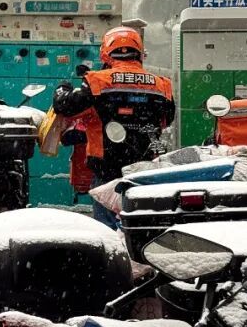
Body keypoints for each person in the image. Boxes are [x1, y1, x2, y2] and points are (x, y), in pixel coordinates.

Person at [53, 26, 175, 224]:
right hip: (145, 169)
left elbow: (63, 106)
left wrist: (63, 87)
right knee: (140, 224)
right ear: (140, 52)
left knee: (108, 230)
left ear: (105, 52)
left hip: (106, 170)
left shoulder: (97, 81)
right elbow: (166, 119)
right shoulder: (162, 85)